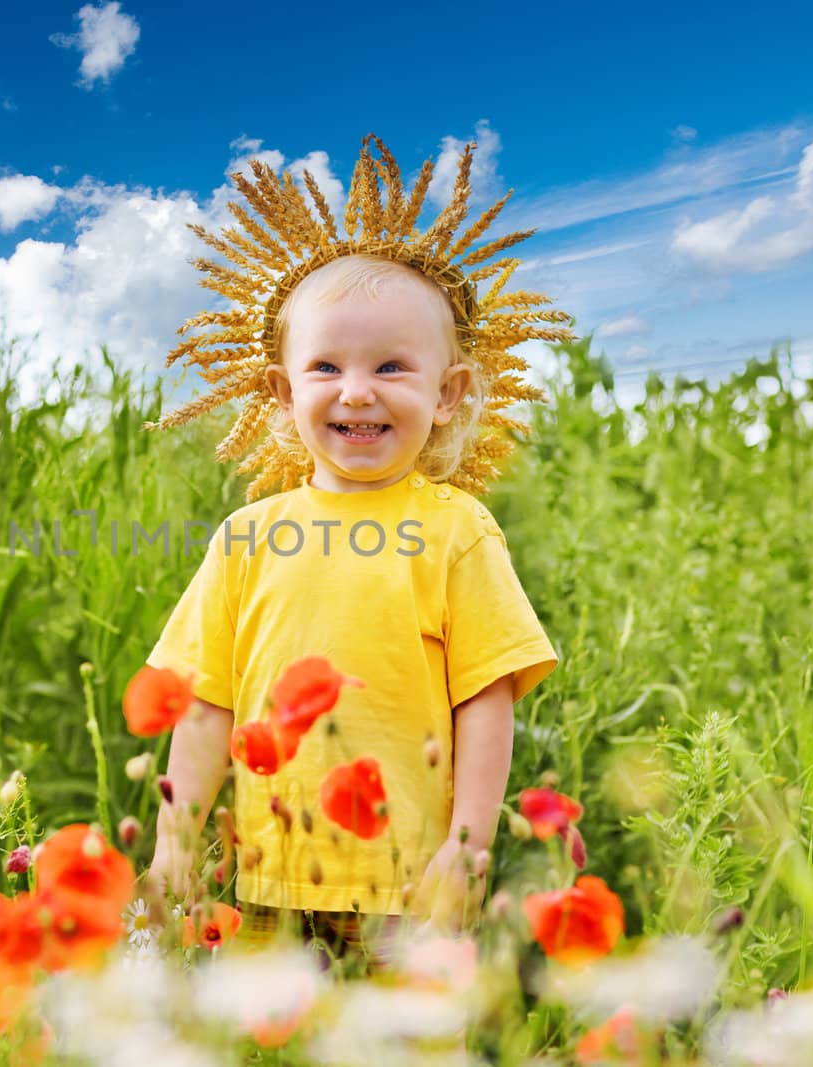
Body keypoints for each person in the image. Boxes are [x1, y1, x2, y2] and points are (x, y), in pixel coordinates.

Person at [137, 136, 570, 965]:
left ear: (447, 395)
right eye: (326, 365)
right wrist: (177, 840)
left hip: (410, 886)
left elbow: (486, 697)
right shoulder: (248, 538)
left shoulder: (457, 529)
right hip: (266, 875)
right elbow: (204, 705)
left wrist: (468, 844)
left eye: (392, 366)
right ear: (282, 391)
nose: (357, 390)